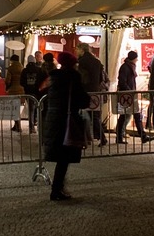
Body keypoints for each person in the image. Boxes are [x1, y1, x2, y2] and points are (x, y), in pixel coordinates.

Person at [43, 51, 90, 201]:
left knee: (61, 157)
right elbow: (82, 99)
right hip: (66, 121)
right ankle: (56, 190)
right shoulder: (72, 77)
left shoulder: (54, 77)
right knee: (64, 157)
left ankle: (57, 188)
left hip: (54, 120)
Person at [114, 51, 149, 144]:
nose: (137, 60)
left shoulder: (128, 66)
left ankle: (142, 136)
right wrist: (130, 91)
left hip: (129, 94)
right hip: (127, 95)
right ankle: (141, 136)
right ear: (133, 58)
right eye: (136, 58)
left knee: (131, 115)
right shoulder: (126, 67)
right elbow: (122, 82)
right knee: (126, 116)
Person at [77, 42, 107, 145]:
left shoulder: (81, 62)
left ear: (82, 49)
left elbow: (79, 78)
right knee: (95, 116)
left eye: (78, 49)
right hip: (95, 91)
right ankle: (101, 137)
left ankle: (85, 139)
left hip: (85, 91)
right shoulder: (97, 61)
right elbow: (101, 79)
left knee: (83, 115)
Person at [19, 54, 46, 133]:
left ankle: (31, 128)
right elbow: (43, 80)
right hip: (38, 92)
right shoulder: (39, 70)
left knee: (31, 110)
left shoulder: (24, 71)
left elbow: (21, 82)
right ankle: (39, 126)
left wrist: (27, 86)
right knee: (40, 109)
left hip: (28, 92)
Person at [5, 53, 24, 131]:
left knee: (14, 109)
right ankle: (16, 125)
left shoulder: (11, 68)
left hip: (13, 90)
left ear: (12, 60)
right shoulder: (22, 68)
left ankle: (18, 126)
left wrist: (7, 86)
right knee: (17, 109)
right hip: (21, 90)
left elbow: (8, 81)